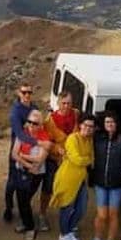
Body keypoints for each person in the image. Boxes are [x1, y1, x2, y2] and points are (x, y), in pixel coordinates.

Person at [51, 113, 95, 240]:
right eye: (86, 125)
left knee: (81, 209)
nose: (88, 128)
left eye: (91, 126)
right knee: (67, 208)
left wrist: (86, 159)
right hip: (68, 178)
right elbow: (78, 159)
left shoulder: (89, 140)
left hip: (81, 179)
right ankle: (64, 234)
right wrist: (86, 159)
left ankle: (69, 231)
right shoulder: (72, 139)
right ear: (80, 125)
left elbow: (91, 159)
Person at [89, 111, 121, 240]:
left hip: (118, 184)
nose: (110, 125)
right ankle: (97, 238)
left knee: (113, 214)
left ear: (117, 124)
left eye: (112, 122)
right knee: (101, 215)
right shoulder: (98, 138)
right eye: (107, 122)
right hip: (100, 182)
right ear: (103, 124)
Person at [40, 92, 79, 232]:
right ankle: (42, 214)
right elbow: (46, 141)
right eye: (63, 103)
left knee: (70, 189)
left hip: (71, 161)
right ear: (58, 103)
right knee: (48, 187)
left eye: (69, 103)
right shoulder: (50, 121)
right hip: (54, 160)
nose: (66, 106)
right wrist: (57, 149)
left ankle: (67, 216)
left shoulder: (76, 115)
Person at [11, 109, 50, 240]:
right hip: (23, 170)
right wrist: (28, 164)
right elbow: (14, 154)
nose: (32, 126)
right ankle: (26, 222)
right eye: (30, 122)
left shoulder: (45, 138)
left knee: (25, 199)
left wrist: (22, 155)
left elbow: (40, 159)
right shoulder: (22, 135)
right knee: (22, 199)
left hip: (36, 174)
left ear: (41, 125)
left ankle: (30, 227)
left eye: (35, 123)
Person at [4, 83, 38, 222]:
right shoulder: (15, 112)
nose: (27, 95)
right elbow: (19, 133)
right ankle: (9, 207)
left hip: (31, 151)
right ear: (19, 93)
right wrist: (38, 142)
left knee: (30, 180)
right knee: (12, 182)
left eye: (29, 92)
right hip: (17, 150)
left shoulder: (34, 108)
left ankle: (23, 205)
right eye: (24, 92)